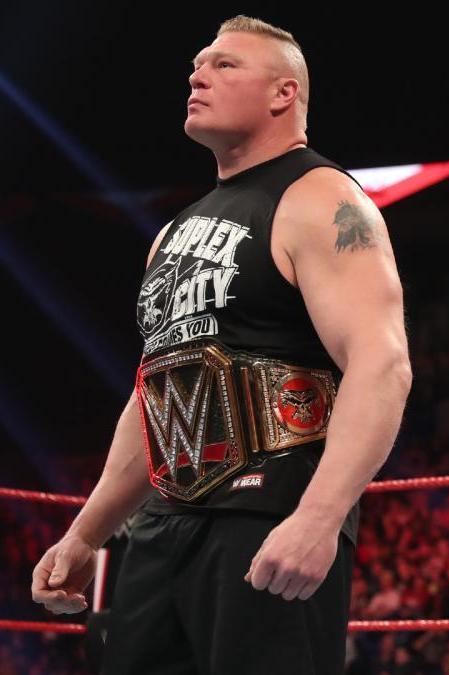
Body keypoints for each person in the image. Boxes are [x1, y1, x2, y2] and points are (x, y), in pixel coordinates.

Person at [31, 15, 411, 674]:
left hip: (267, 514)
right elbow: (153, 393)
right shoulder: (172, 233)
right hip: (163, 523)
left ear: (284, 93)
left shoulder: (320, 197)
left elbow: (382, 363)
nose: (197, 76)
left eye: (224, 64)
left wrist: (319, 517)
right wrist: (86, 532)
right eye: (196, 67)